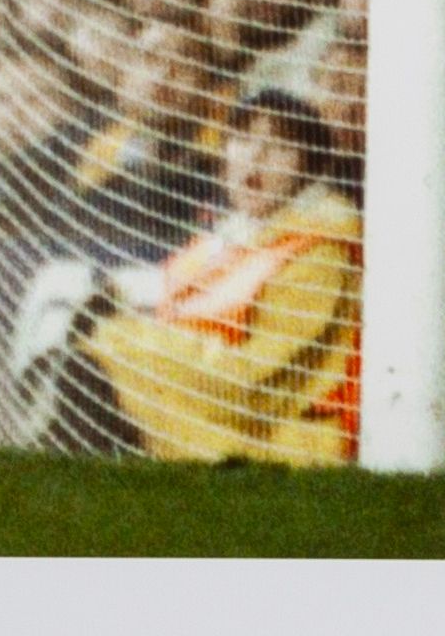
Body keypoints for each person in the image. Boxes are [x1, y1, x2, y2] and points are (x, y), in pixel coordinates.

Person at [69, 88, 365, 467]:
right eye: (243, 139)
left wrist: (122, 341)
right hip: (200, 411)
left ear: (307, 170)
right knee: (84, 362)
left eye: (277, 146)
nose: (255, 158)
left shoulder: (319, 254)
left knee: (95, 373)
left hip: (278, 439)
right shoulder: (223, 241)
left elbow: (254, 388)